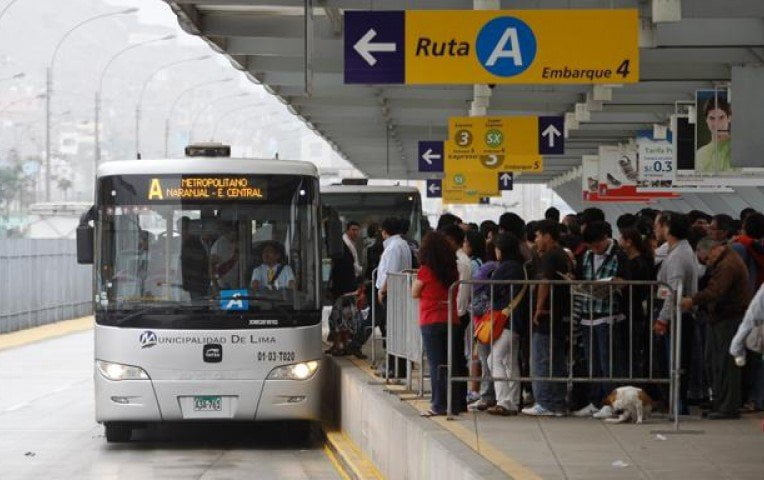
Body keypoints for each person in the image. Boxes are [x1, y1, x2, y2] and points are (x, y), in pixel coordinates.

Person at [680, 237, 751, 419]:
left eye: (706, 259)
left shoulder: (727, 265)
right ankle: (720, 401)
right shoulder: (725, 260)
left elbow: (716, 291)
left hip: (729, 318)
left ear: (714, 250)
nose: (707, 263)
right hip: (721, 317)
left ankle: (728, 406)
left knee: (726, 363)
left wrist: (692, 300)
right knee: (714, 360)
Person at [573, 221, 632, 419]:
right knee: (593, 363)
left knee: (610, 363)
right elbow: (580, 278)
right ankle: (596, 400)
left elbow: (627, 280)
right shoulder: (587, 256)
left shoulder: (619, 255)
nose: (595, 250)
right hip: (588, 313)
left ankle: (613, 401)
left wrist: (616, 284)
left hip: (609, 314)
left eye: (597, 245)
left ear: (606, 238)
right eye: (591, 246)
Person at [412, 231, 464, 416]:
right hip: (452, 319)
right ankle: (456, 404)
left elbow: (414, 292)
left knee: (436, 364)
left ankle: (438, 404)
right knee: (452, 362)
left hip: (431, 319)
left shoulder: (426, 270)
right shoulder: (453, 270)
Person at [522, 220, 570, 416]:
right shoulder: (563, 254)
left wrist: (538, 308)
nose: (536, 239)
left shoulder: (550, 256)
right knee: (556, 360)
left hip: (547, 315)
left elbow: (545, 282)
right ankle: (557, 402)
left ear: (548, 236)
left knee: (542, 359)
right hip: (559, 315)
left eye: (539, 235)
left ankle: (545, 402)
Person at [653, 212, 698, 414]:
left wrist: (663, 319)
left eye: (658, 225)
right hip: (675, 314)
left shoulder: (679, 255)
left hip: (677, 316)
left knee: (676, 362)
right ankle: (675, 403)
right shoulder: (676, 250)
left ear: (667, 228)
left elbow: (673, 291)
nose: (655, 229)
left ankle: (678, 405)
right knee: (673, 361)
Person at [485, 233, 529, 416]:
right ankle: (511, 401)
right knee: (509, 361)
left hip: (507, 319)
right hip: (515, 319)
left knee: (494, 359)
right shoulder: (519, 266)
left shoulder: (507, 267)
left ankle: (504, 401)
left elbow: (491, 290)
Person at [376, 217, 413, 377]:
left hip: (392, 295)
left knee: (392, 332)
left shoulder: (393, 248)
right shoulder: (402, 244)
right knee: (397, 332)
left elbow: (391, 274)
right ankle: (399, 368)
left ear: (385, 231)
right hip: (400, 294)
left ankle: (393, 368)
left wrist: (382, 292)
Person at [619, 226, 656, 380]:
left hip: (634, 312)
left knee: (632, 351)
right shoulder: (634, 261)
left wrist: (622, 285)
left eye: (622, 238)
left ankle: (635, 382)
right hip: (631, 311)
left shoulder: (638, 263)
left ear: (629, 242)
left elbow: (637, 289)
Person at [695, 96, 732, 172]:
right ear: (706, 120)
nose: (716, 123)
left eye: (721, 118)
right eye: (712, 118)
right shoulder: (699, 155)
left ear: (729, 118)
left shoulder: (740, 149)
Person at [178, 216, 210, 300]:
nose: (182, 232)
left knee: (196, 308)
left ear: (190, 229)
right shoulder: (178, 244)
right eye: (179, 229)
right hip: (181, 285)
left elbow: (199, 267)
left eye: (184, 229)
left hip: (195, 287)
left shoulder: (195, 245)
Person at [210, 224, 239, 290]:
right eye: (234, 231)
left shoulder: (236, 243)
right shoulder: (219, 245)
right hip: (223, 286)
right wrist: (216, 287)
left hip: (236, 285)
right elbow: (211, 268)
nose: (237, 233)